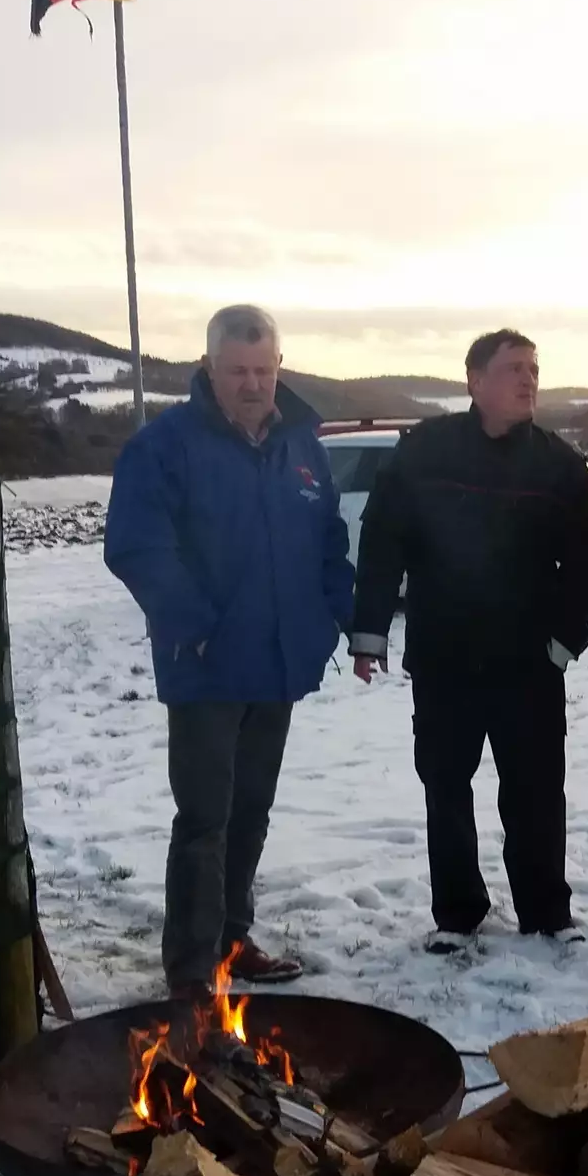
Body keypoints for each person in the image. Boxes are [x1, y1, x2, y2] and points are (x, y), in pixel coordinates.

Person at [104, 305, 354, 997]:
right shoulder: (165, 447)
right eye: (238, 370)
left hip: (277, 664)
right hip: (206, 669)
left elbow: (329, 542)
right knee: (204, 822)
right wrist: (193, 624)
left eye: (263, 370)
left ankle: (232, 941)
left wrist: (337, 617)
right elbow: (136, 545)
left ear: (279, 367)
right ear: (209, 368)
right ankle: (192, 969)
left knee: (250, 813)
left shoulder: (301, 446)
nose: (252, 384)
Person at [349, 329, 588, 952]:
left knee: (536, 791)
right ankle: (458, 914)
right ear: (475, 380)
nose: (528, 379)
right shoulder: (425, 452)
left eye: (534, 369)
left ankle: (546, 911)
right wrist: (370, 631)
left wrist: (566, 639)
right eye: (514, 368)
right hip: (445, 656)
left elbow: (583, 559)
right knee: (445, 787)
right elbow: (382, 540)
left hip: (529, 661)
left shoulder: (557, 463)